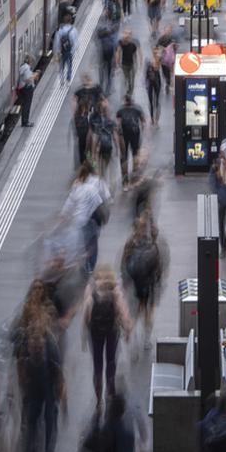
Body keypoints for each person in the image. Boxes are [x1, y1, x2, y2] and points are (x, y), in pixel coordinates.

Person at [15, 295, 64, 452]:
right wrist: (22, 383)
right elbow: (19, 363)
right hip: (32, 391)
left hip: (48, 388)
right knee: (30, 431)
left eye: (38, 346)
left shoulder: (51, 346)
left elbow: (59, 372)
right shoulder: (24, 346)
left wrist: (59, 393)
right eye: (33, 346)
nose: (35, 348)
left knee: (51, 422)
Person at [82, 264, 132, 406]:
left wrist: (84, 334)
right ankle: (110, 391)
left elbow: (86, 312)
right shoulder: (115, 289)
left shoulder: (91, 289)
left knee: (97, 364)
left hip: (95, 332)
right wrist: (127, 329)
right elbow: (122, 311)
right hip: (111, 330)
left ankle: (98, 400)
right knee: (111, 361)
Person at [120, 212, 164, 340]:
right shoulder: (152, 243)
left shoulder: (130, 243)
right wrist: (158, 281)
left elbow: (124, 261)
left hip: (135, 282)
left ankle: (130, 331)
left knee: (137, 309)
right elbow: (158, 265)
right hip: (149, 283)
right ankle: (147, 336)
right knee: (148, 309)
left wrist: (125, 279)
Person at [63, 160, 111, 272]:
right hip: (95, 217)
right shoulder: (99, 181)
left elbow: (70, 201)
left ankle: (83, 260)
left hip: (81, 218)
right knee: (93, 241)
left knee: (84, 239)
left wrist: (65, 214)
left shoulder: (77, 184)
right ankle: (90, 265)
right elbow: (106, 198)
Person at [116, 94, 145, 180]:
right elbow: (143, 121)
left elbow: (118, 123)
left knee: (124, 155)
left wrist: (118, 134)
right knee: (134, 153)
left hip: (125, 134)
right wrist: (142, 131)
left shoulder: (121, 109)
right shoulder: (137, 108)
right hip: (134, 133)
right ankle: (134, 175)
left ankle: (125, 178)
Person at [143, 46, 164, 127]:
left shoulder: (158, 59)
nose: (155, 52)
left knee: (157, 100)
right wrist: (145, 82)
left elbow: (157, 67)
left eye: (156, 51)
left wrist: (157, 58)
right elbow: (145, 72)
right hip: (150, 82)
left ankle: (157, 116)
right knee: (151, 101)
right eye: (154, 51)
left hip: (157, 81)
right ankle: (152, 117)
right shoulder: (148, 60)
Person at [117, 28, 140, 100]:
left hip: (132, 64)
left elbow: (135, 55)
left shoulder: (133, 44)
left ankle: (130, 94)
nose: (127, 36)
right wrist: (117, 64)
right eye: (126, 34)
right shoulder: (121, 43)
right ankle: (127, 92)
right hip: (124, 65)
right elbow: (118, 52)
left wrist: (137, 64)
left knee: (132, 81)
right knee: (126, 79)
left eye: (129, 34)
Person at [54, 18, 79, 84]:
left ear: (64, 22)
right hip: (69, 52)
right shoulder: (73, 30)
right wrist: (73, 52)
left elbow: (57, 43)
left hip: (62, 52)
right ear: (70, 22)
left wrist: (57, 53)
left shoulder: (60, 30)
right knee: (69, 66)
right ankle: (68, 80)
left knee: (61, 67)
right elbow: (75, 43)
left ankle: (62, 80)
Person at [17, 61, 37, 127]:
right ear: (30, 62)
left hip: (23, 88)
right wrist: (34, 75)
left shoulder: (23, 67)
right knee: (27, 105)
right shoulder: (27, 69)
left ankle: (25, 121)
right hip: (27, 88)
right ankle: (25, 122)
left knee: (25, 105)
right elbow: (28, 79)